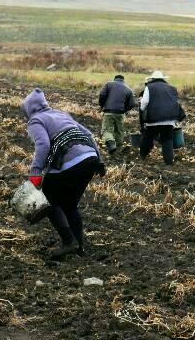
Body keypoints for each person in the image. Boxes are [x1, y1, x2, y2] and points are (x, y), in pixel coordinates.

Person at [23, 88, 104, 258]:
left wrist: (36, 172)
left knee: (48, 198)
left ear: (29, 109)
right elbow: (88, 134)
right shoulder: (62, 114)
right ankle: (79, 248)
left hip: (70, 161)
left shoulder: (35, 120)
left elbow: (43, 144)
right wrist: (99, 159)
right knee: (69, 205)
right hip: (89, 159)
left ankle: (69, 241)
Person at [139, 70, 185, 166]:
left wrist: (142, 112)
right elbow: (174, 102)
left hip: (153, 120)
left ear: (152, 79)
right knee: (167, 140)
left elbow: (144, 102)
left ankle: (142, 157)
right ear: (163, 79)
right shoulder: (172, 88)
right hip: (169, 120)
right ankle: (169, 162)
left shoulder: (149, 87)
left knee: (147, 138)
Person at [98, 74, 136, 154]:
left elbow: (102, 95)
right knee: (119, 131)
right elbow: (132, 103)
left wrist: (102, 105)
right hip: (120, 113)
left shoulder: (109, 84)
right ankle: (118, 150)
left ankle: (111, 144)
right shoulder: (128, 89)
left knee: (106, 129)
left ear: (115, 79)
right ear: (123, 80)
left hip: (108, 111)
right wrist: (124, 110)